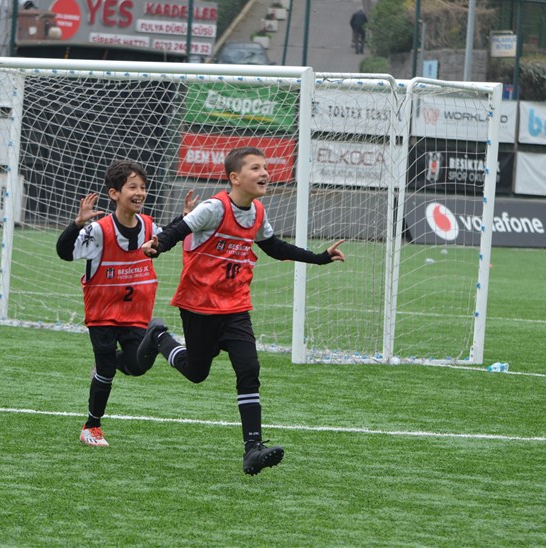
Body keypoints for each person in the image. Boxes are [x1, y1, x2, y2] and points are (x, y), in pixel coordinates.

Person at [139, 147, 346, 475]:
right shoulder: (214, 208)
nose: (264, 173)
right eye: (255, 168)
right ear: (235, 178)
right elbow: (179, 230)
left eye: (265, 167)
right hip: (199, 306)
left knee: (249, 368)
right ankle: (159, 337)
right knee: (197, 372)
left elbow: (274, 247)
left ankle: (253, 448)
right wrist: (158, 245)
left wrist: (320, 257)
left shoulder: (258, 212)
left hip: (235, 307)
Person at [56, 160, 197, 447]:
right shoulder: (99, 231)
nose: (140, 192)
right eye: (132, 187)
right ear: (114, 194)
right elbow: (64, 252)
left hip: (135, 315)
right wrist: (77, 224)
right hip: (103, 314)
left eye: (143, 187)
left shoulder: (148, 226)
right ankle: (91, 427)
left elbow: (166, 237)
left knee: (137, 366)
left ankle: (152, 337)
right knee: (106, 371)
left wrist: (185, 219)